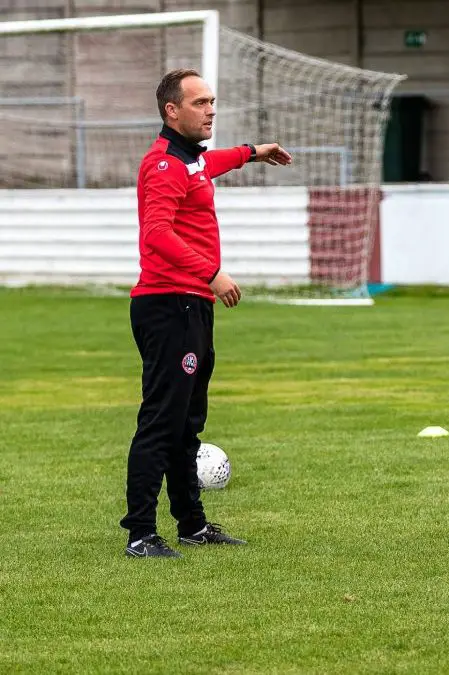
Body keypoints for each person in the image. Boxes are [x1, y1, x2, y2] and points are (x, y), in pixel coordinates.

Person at [122, 68, 292, 558]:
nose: (211, 109)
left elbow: (210, 164)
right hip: (167, 304)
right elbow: (156, 233)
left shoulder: (189, 160)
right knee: (161, 419)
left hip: (191, 304)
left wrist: (252, 152)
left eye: (213, 101)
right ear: (172, 111)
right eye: (200, 103)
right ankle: (140, 532)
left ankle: (192, 525)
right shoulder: (163, 165)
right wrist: (211, 272)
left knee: (188, 421)